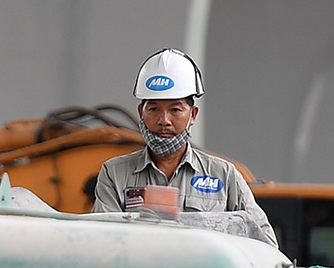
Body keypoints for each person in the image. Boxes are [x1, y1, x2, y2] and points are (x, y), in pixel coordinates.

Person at [91, 49, 278, 247]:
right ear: (141, 113)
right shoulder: (114, 174)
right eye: (154, 109)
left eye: (175, 110)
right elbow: (103, 245)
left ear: (193, 114)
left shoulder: (224, 175)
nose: (164, 121)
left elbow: (265, 245)